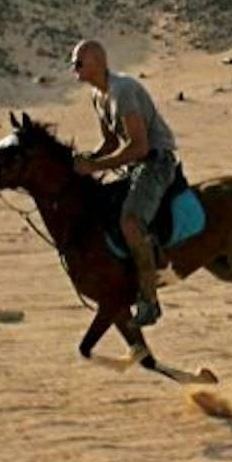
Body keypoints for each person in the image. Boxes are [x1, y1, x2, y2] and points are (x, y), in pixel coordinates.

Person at [70, 39, 180, 326]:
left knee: (130, 222)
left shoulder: (123, 91)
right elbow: (110, 143)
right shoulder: (98, 95)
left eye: (78, 63)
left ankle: (149, 299)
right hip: (134, 166)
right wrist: (86, 160)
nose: (74, 68)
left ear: (96, 62)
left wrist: (94, 166)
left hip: (155, 163)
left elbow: (139, 147)